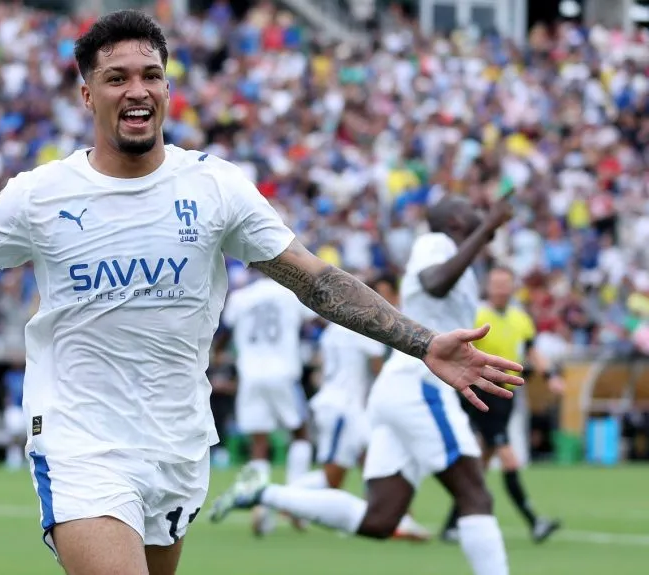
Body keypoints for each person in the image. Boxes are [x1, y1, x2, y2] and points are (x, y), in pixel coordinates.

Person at [0, 11, 522, 575]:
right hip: (79, 436)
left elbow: (317, 279)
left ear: (167, 86)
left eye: (150, 75)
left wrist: (423, 340)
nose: (136, 90)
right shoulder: (40, 194)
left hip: (177, 439)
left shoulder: (215, 187)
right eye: (116, 78)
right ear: (88, 94)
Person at [210, 195, 517, 575]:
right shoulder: (435, 243)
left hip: (398, 390)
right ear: (456, 220)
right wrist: (487, 227)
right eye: (473, 209)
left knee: (380, 519)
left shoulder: (458, 251)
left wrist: (486, 234)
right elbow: (433, 282)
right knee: (474, 494)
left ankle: (263, 493)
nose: (480, 211)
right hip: (420, 386)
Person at [292, 275, 430, 541]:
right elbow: (379, 370)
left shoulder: (334, 325)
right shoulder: (364, 322)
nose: (386, 302)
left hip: (348, 406)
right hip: (343, 407)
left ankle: (399, 519)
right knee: (333, 479)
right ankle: (276, 496)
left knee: (378, 458)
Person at [440, 266, 564, 544]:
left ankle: (451, 525)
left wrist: (551, 377)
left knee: (481, 465)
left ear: (512, 286)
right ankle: (534, 522)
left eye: (505, 284)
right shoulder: (478, 316)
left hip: (506, 397)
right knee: (507, 457)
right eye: (496, 284)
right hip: (483, 393)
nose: (500, 289)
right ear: (489, 287)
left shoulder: (521, 319)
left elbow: (533, 351)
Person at [215, 270, 317, 535]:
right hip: (284, 372)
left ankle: (261, 503)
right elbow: (311, 322)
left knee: (259, 443)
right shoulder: (290, 294)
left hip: (250, 374)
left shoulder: (241, 297)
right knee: (301, 434)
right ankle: (295, 502)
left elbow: (224, 333)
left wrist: (215, 354)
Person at [3, 361, 27, 471]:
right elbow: (6, 391)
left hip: (24, 407)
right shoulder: (9, 376)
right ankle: (13, 458)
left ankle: (24, 458)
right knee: (13, 434)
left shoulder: (26, 374)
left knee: (25, 435)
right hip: (14, 408)